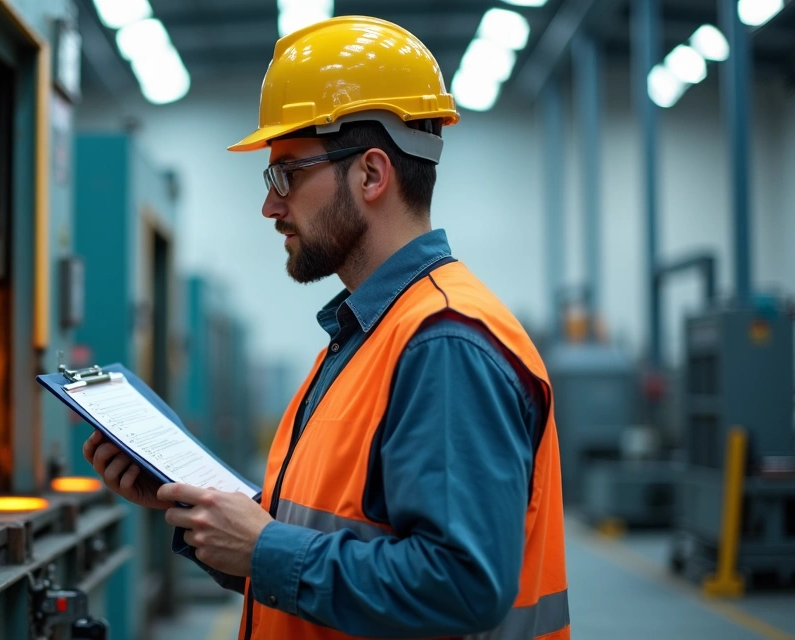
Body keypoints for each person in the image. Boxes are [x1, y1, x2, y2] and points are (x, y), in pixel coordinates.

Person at [83, 15, 569, 640]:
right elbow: (323, 541)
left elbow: (460, 586)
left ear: (371, 174)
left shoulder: (445, 341)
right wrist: (196, 509)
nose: (270, 206)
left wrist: (263, 549)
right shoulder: (364, 335)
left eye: (287, 173)